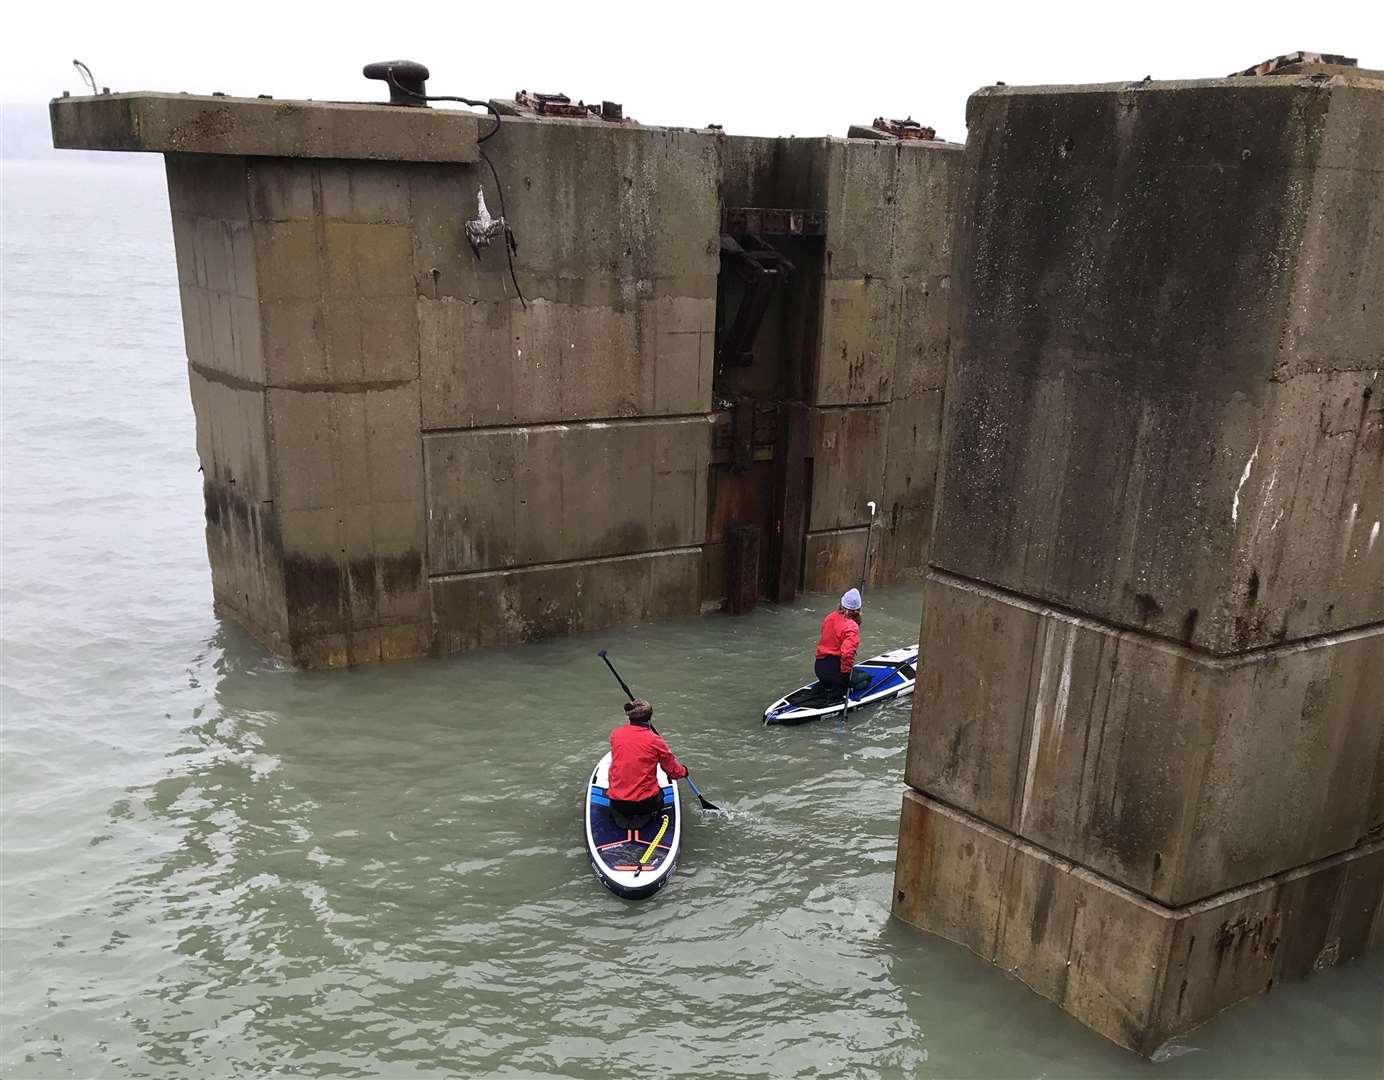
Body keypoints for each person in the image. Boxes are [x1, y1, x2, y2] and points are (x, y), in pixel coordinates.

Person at [607, 698, 688, 829]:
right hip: (645, 804)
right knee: (660, 795)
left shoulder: (615, 735)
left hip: (617, 802)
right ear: (649, 718)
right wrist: (684, 771)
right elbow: (673, 772)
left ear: (630, 717)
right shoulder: (656, 741)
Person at [815, 588, 872, 698]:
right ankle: (839, 690)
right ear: (858, 609)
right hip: (835, 672)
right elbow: (847, 653)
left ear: (841, 603)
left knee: (856, 672)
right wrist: (845, 676)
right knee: (866, 678)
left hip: (819, 668)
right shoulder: (852, 627)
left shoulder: (830, 617)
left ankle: (825, 684)